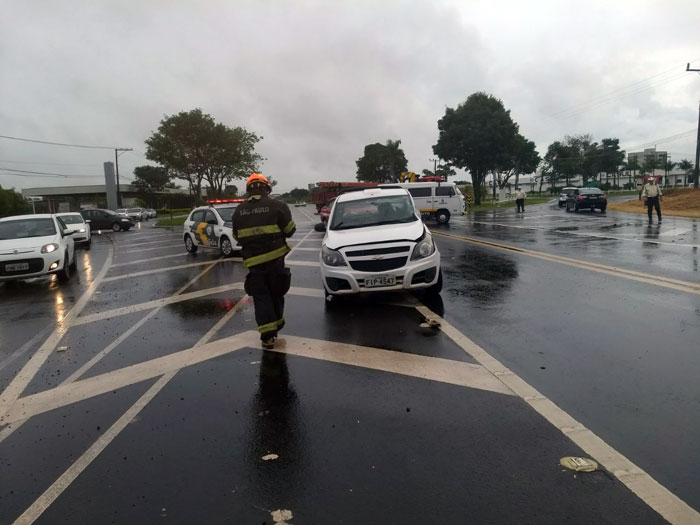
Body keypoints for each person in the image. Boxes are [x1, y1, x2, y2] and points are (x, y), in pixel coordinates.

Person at [232, 173, 296, 349]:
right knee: (276, 292)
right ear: (266, 188)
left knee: (261, 296)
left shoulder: (239, 210)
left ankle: (267, 336)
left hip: (254, 263)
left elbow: (237, 235)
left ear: (248, 190)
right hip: (276, 260)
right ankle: (277, 323)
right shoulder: (278, 206)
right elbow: (290, 230)